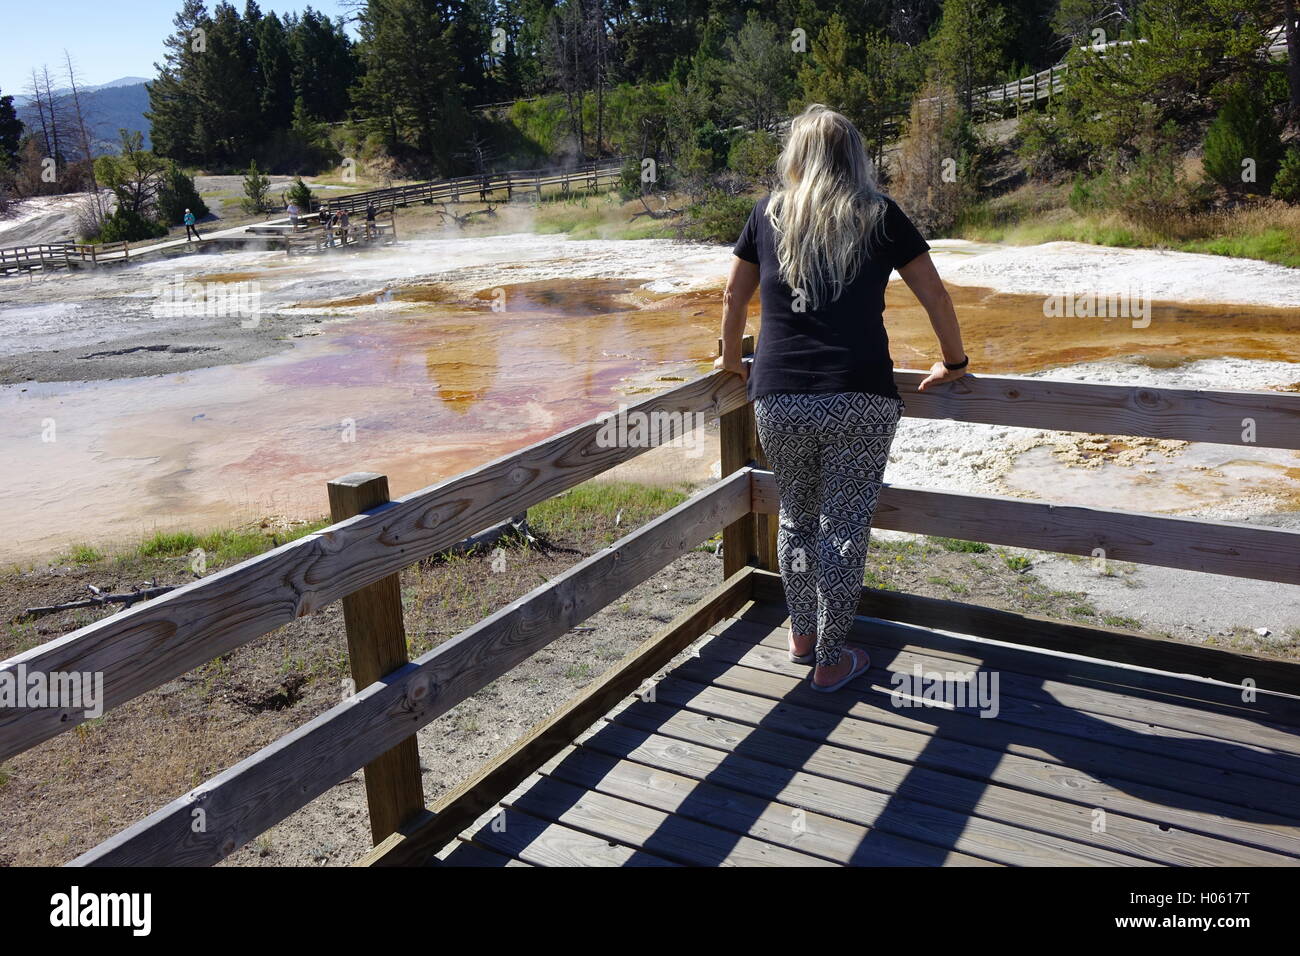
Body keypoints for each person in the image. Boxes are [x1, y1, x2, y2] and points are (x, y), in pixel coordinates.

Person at [714, 104, 968, 693]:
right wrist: (954, 362)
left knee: (797, 518)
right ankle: (831, 658)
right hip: (859, 394)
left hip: (778, 394)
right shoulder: (879, 215)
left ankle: (801, 635)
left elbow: (733, 296)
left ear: (796, 158)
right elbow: (935, 294)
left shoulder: (769, 215)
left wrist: (731, 360)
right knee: (844, 524)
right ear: (854, 155)